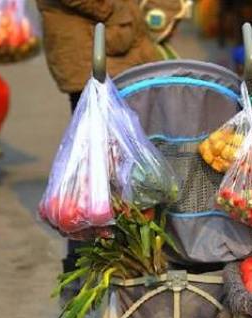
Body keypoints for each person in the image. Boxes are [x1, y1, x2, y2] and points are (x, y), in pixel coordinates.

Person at [35, 0, 162, 273]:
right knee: (95, 161)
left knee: (112, 161)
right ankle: (92, 257)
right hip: (94, 43)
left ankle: (113, 253)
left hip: (103, 42)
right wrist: (114, 9)